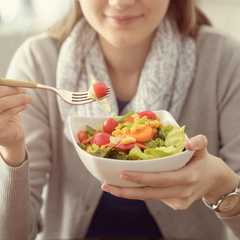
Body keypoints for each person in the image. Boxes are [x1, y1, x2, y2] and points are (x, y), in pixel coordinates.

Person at [0, 0, 240, 239]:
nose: (121, 2)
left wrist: (221, 184)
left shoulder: (223, 59)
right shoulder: (38, 61)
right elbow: (14, 234)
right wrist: (11, 150)